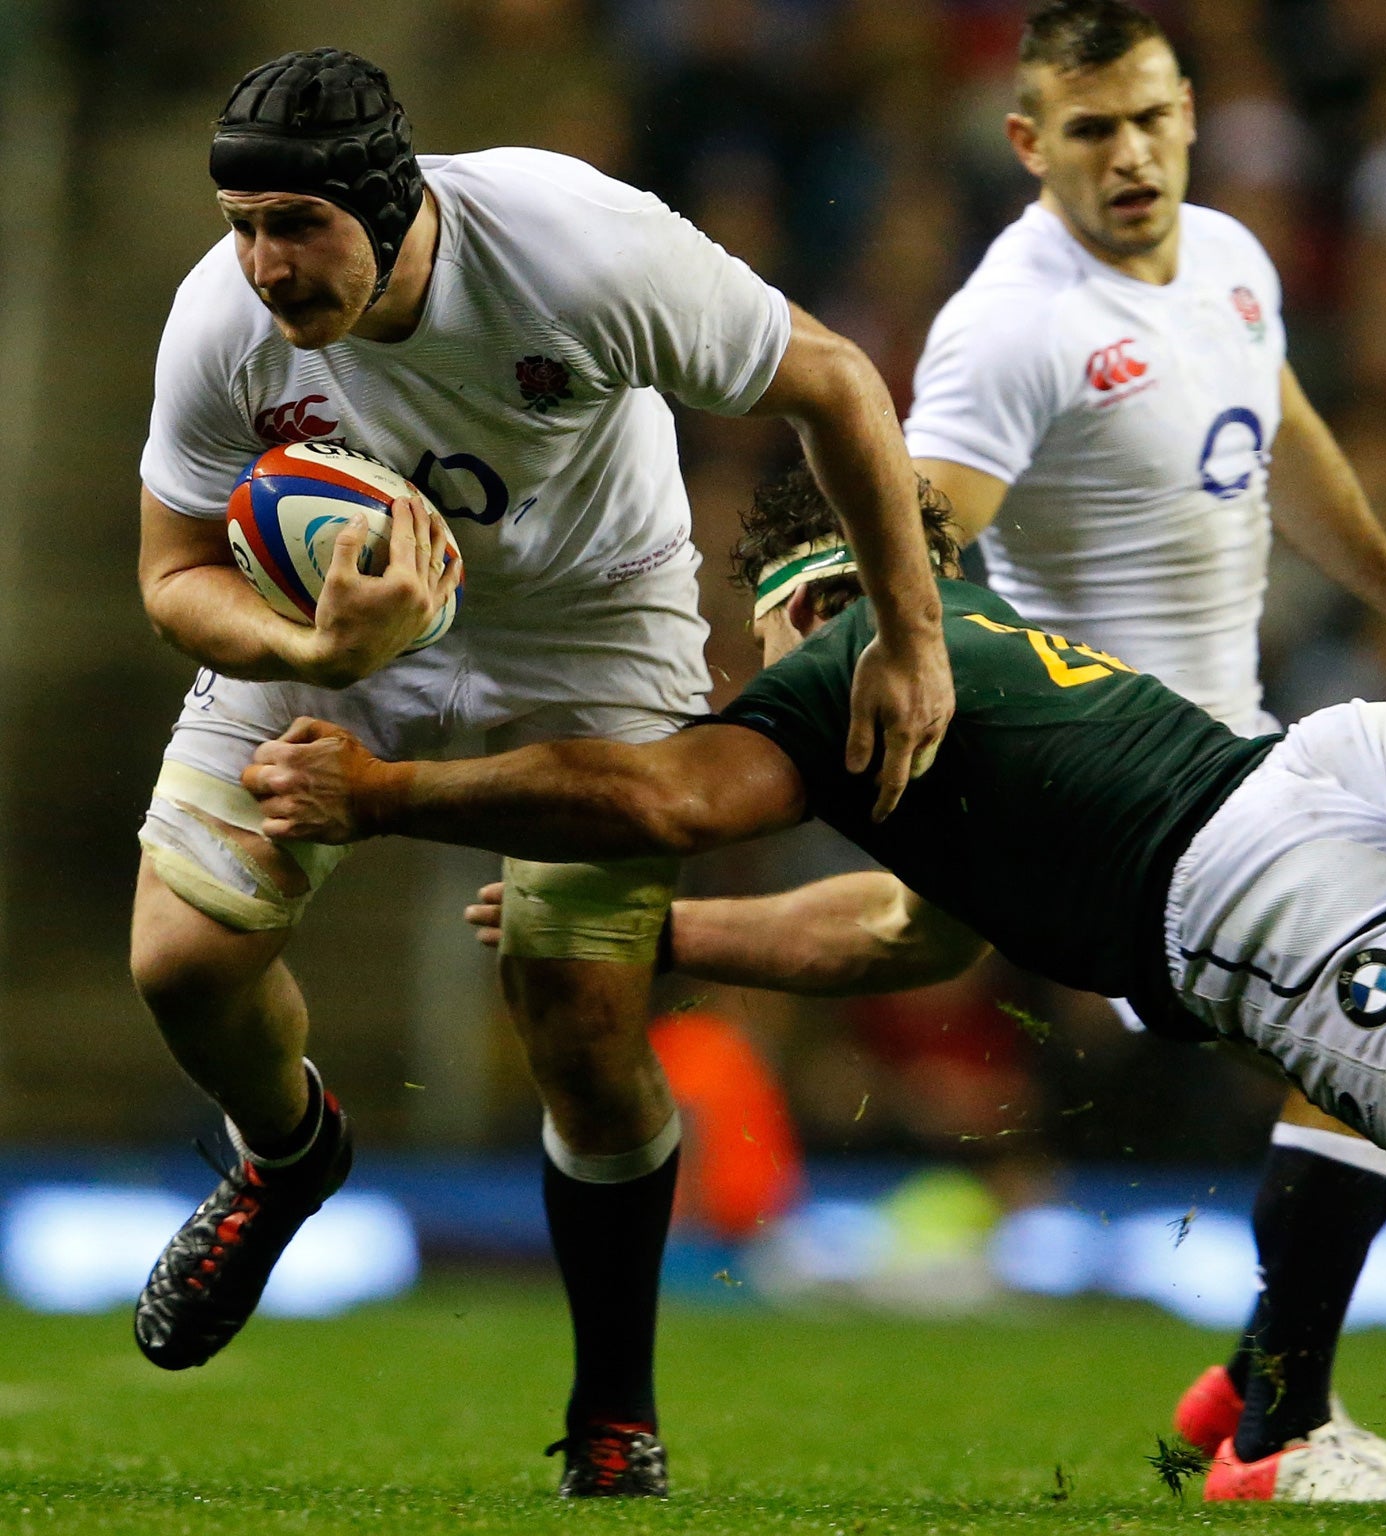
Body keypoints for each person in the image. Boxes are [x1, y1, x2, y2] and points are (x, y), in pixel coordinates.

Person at [247, 455, 1386, 1501]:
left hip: (1256, 896)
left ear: (791, 602)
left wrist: (398, 794)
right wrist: (678, 941)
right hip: (1332, 768)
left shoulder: (830, 675)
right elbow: (904, 931)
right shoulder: (977, 639)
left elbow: (663, 797)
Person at [127, 48, 953, 1499]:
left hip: (590, 623)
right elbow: (172, 571)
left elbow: (831, 380)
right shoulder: (221, 321)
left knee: (580, 1021)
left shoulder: (579, 251)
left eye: (297, 225)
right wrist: (312, 651)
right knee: (181, 963)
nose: (263, 263)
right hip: (342, 625)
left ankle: (614, 1410)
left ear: (391, 205)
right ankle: (286, 1152)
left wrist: (911, 635)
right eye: (242, 225)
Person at [901, 0, 1386, 1494]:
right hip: (1127, 808)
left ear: (1191, 118)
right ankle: (1274, 1430)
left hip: (1240, 759)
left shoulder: (1228, 257)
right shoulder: (1011, 324)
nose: (1132, 154)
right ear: (1029, 143)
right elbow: (914, 555)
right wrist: (987, 742)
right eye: (1092, 128)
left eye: (1153, 119)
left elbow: (1276, 427)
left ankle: (1256, 1386)